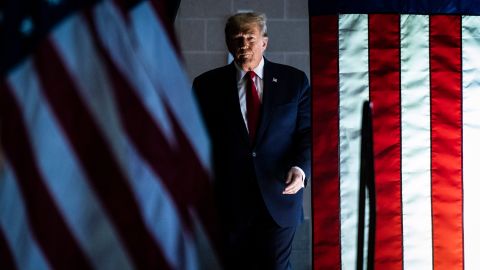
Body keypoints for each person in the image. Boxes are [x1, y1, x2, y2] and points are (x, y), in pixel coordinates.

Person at [193, 12, 311, 270]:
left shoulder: (294, 82)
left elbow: (307, 133)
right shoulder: (206, 86)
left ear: (264, 42)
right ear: (228, 43)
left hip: (279, 198)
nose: (243, 44)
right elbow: (198, 139)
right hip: (229, 202)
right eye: (236, 38)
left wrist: (300, 169)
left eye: (250, 37)